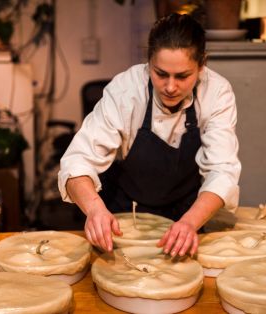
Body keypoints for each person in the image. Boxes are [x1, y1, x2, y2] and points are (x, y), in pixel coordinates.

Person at [58, 13, 241, 256]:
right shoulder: (125, 90)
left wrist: (189, 223)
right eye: (161, 73)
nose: (170, 86)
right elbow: (77, 161)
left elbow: (222, 171)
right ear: (148, 62)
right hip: (123, 216)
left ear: (202, 65)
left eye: (183, 76)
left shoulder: (217, 93)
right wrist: (94, 210)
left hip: (187, 214)